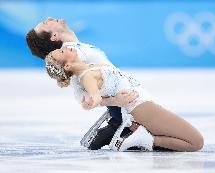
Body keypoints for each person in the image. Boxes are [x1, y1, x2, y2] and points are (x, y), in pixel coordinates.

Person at [26, 17, 172, 151]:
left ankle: (114, 127)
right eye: (46, 23)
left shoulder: (73, 49)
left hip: (127, 103)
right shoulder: (73, 55)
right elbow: (83, 99)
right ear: (54, 36)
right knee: (174, 142)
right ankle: (119, 129)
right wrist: (116, 101)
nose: (49, 18)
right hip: (127, 109)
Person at [44, 46, 204, 151]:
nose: (66, 47)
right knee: (196, 142)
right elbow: (96, 96)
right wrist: (94, 101)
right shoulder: (86, 77)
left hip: (143, 106)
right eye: (63, 52)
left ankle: (140, 136)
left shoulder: (90, 66)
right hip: (141, 108)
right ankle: (145, 139)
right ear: (67, 66)